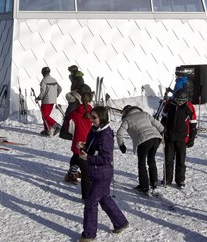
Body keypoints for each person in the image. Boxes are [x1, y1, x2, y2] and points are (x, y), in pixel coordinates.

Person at [78, 106, 128, 241]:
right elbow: (92, 147)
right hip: (94, 172)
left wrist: (88, 158)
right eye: (90, 116)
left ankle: (89, 235)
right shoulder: (95, 130)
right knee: (104, 198)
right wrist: (84, 146)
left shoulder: (106, 135)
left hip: (103, 174)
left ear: (102, 118)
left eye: (94, 117)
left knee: (90, 202)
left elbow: (106, 159)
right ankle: (121, 222)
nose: (91, 120)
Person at [116, 105, 164, 194]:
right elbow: (159, 125)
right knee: (151, 160)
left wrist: (121, 145)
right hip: (156, 138)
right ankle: (154, 183)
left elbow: (119, 133)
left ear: (125, 112)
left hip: (144, 141)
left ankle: (144, 187)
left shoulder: (127, 119)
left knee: (142, 163)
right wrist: (163, 132)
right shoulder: (144, 114)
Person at [161, 89, 197, 188]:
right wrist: (162, 130)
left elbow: (193, 123)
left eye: (182, 101)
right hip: (169, 137)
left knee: (180, 160)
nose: (180, 103)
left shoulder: (189, 107)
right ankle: (167, 178)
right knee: (168, 159)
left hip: (182, 138)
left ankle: (180, 180)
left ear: (186, 99)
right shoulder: (169, 104)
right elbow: (163, 118)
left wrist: (192, 138)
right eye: (178, 100)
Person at [64, 91, 93, 195]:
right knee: (85, 157)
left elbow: (68, 120)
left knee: (76, 156)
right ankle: (75, 173)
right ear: (90, 100)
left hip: (78, 138)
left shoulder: (76, 112)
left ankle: (72, 173)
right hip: (90, 138)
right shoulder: (93, 112)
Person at [35, 67, 62, 136]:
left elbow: (43, 92)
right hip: (53, 101)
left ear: (43, 73)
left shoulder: (44, 81)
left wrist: (38, 98)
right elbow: (60, 89)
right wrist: (55, 95)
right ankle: (47, 129)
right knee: (45, 115)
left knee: (45, 116)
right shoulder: (54, 80)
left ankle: (56, 126)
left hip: (46, 101)